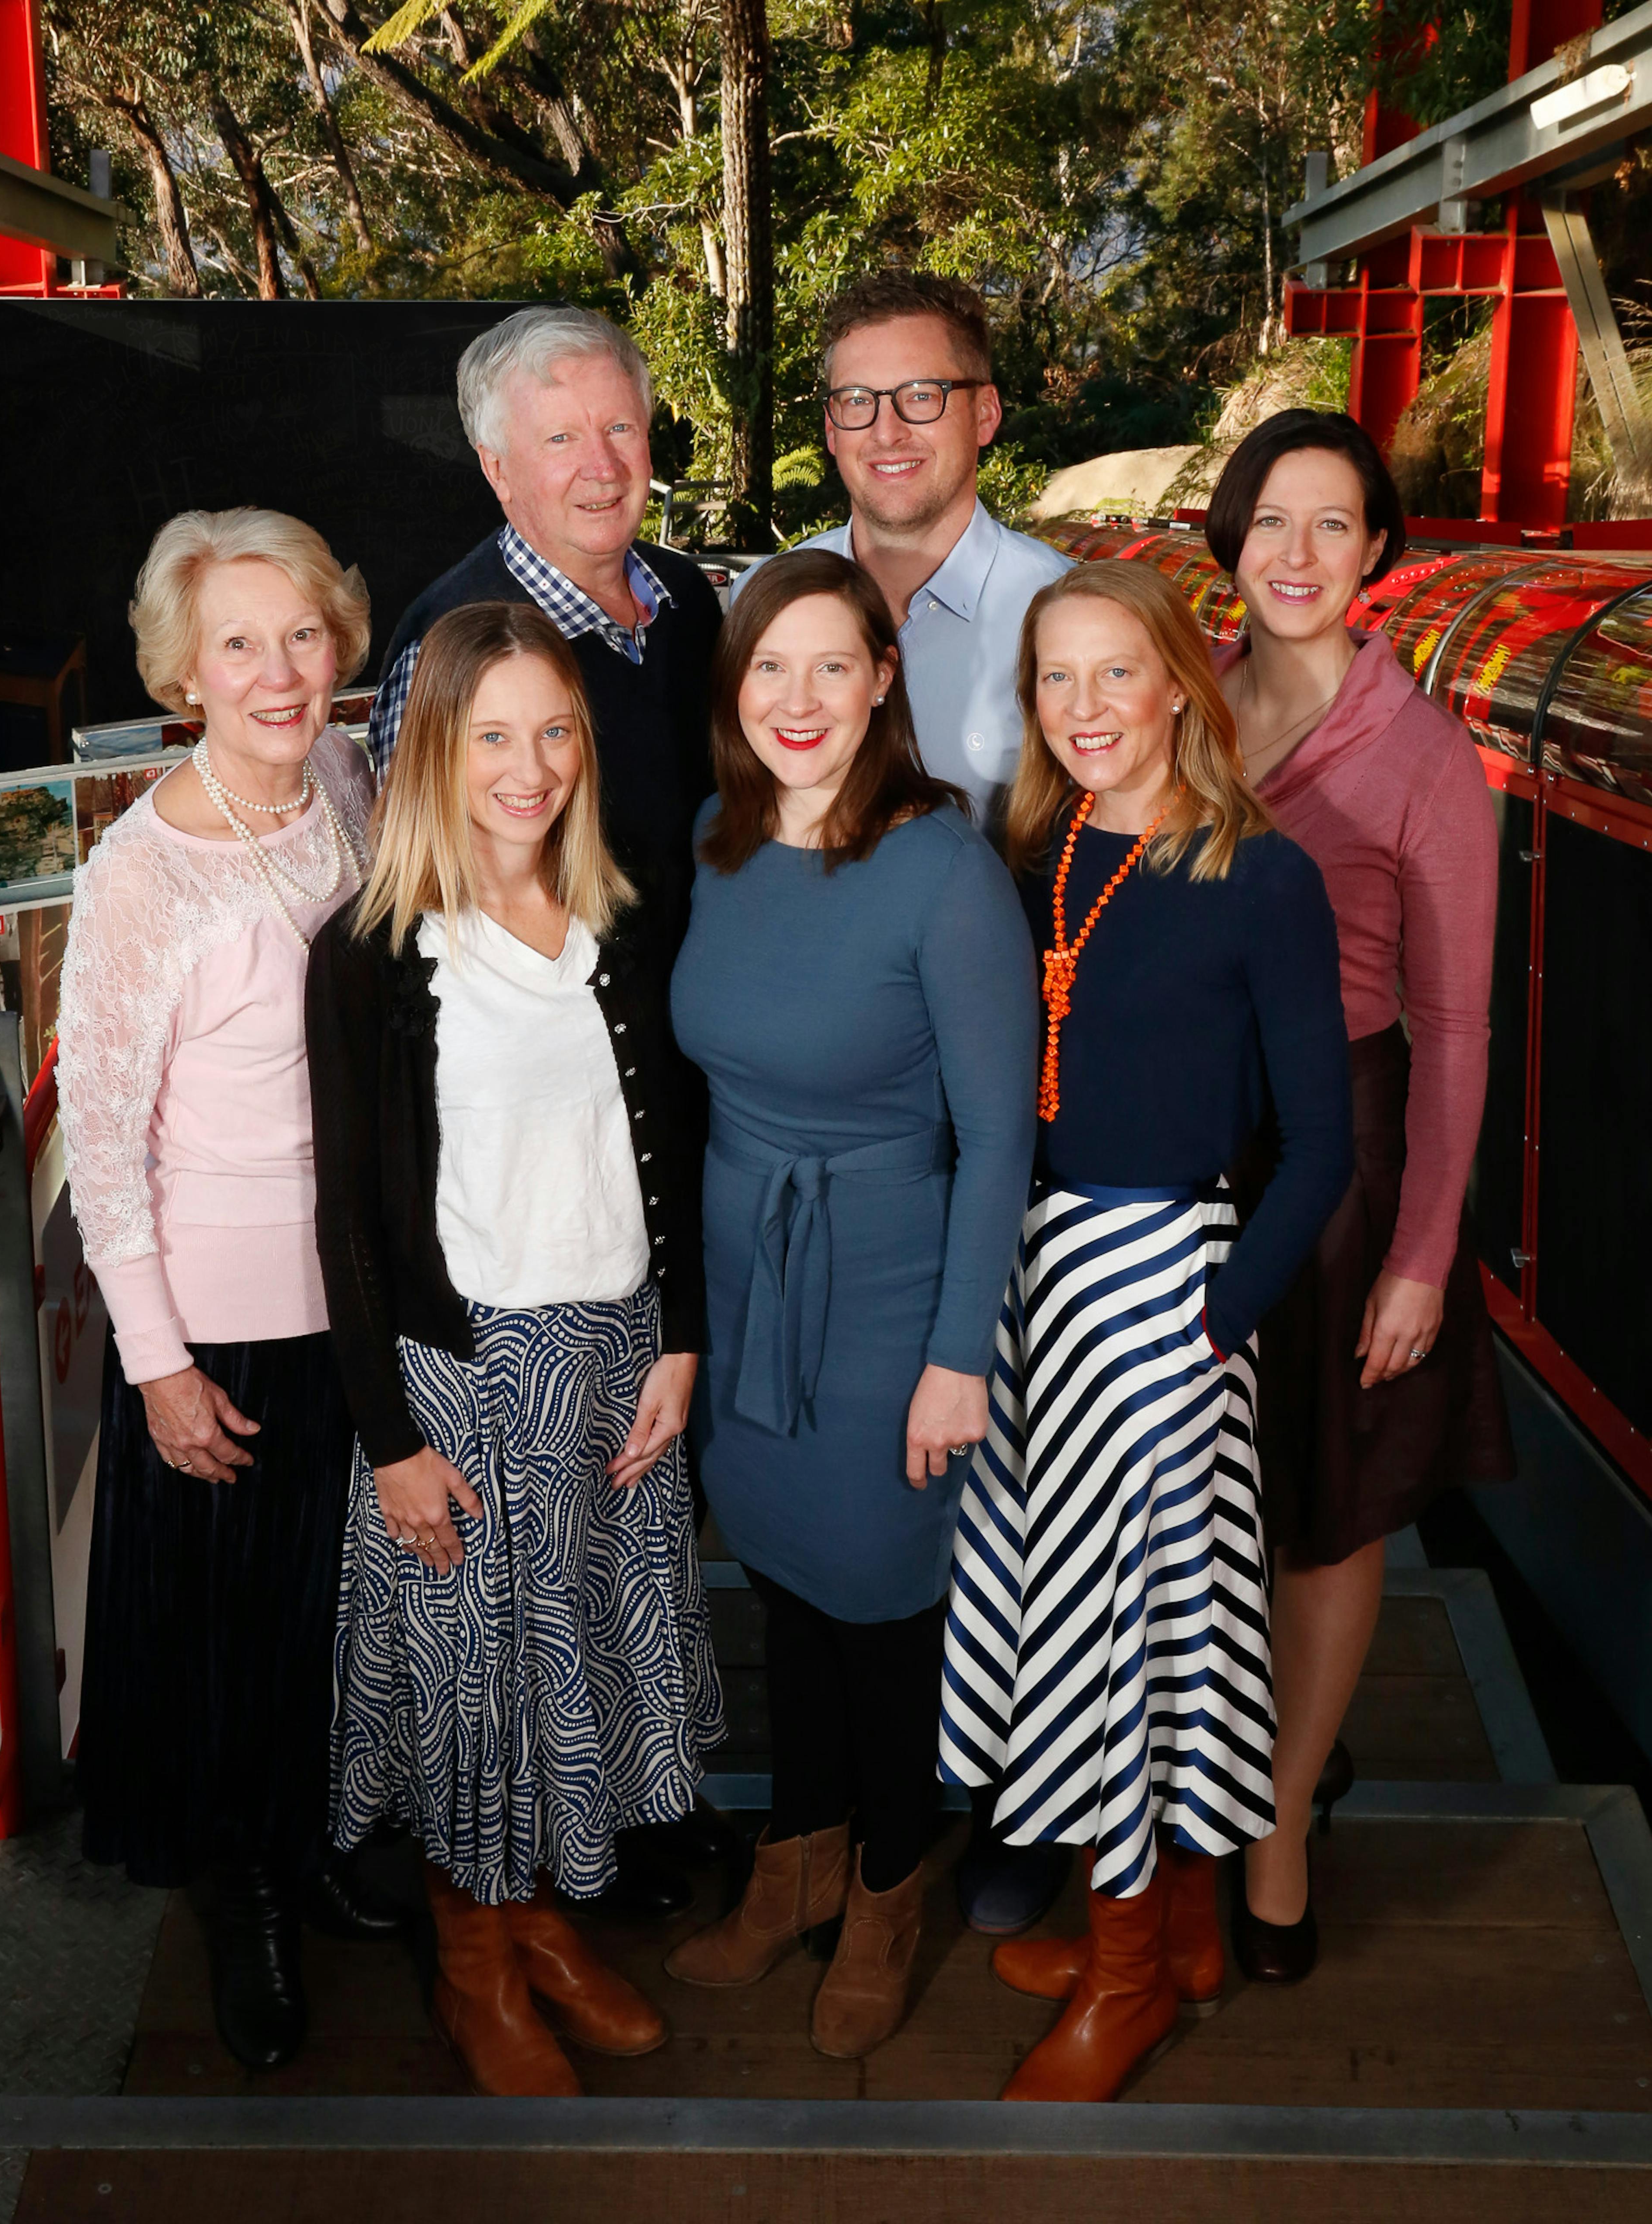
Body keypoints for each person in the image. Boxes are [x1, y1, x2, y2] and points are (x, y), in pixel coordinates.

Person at [938, 559, 1353, 2103]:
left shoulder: (1265, 875)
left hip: (1169, 1285)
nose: (1089, 707)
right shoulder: (1037, 843)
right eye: (1059, 679)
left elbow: (1321, 1146)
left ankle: (1125, 1987)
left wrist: (1216, 1321)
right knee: (1119, 1628)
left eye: (1120, 674)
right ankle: (1173, 1931)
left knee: (1129, 1639)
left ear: (1182, 678)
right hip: (1037, 1277)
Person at [307, 599, 723, 2098]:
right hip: (460, 1384)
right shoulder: (369, 950)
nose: (530, 765)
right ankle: (472, 1964)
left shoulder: (623, 920)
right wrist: (391, 1440)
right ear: (434, 747)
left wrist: (679, 1342)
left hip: (611, 1362)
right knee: (475, 1695)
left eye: (556, 732)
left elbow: (664, 1146)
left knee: (575, 1679)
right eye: (494, 736)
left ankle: (540, 1922)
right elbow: (349, 1223)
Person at [664, 549, 1037, 2059]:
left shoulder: (944, 867)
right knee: (788, 1579)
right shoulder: (715, 840)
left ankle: (892, 1876)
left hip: (889, 1277)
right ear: (736, 690)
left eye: (833, 666)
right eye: (770, 668)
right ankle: (795, 1859)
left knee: (885, 1598)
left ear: (884, 679)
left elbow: (1001, 1133)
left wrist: (960, 1358)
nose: (799, 700)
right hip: (752, 1260)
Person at [62, 507, 394, 2074]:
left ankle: (312, 1834)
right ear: (184, 673)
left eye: (305, 635)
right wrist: (157, 1362)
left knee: (330, 1610)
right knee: (228, 1629)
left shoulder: (346, 783)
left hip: (363, 1295)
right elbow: (103, 1135)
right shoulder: (141, 869)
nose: (281, 671)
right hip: (227, 1316)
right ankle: (245, 1890)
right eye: (242, 643)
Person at [1206, 409, 1514, 1979]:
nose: (1299, 556)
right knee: (1209, 1497)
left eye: (1335, 525)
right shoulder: (1188, 702)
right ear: (1232, 535)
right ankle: (1222, 1775)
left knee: (1326, 1512)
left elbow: (1457, 1027)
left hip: (1349, 1146)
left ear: (1381, 552)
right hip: (1193, 1139)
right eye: (1273, 519)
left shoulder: (1423, 757)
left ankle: (1278, 1836)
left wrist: (1421, 1254)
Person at [369, 305, 721, 966]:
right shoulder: (446, 643)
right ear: (497, 469)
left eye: (620, 428)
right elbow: (421, 910)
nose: (603, 466)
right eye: (560, 439)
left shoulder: (689, 599)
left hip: (715, 1024)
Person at [754, 272, 1070, 840]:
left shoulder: (1061, 614)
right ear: (831, 428)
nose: (887, 431)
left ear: (986, 414)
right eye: (857, 401)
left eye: (922, 396)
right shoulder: (763, 602)